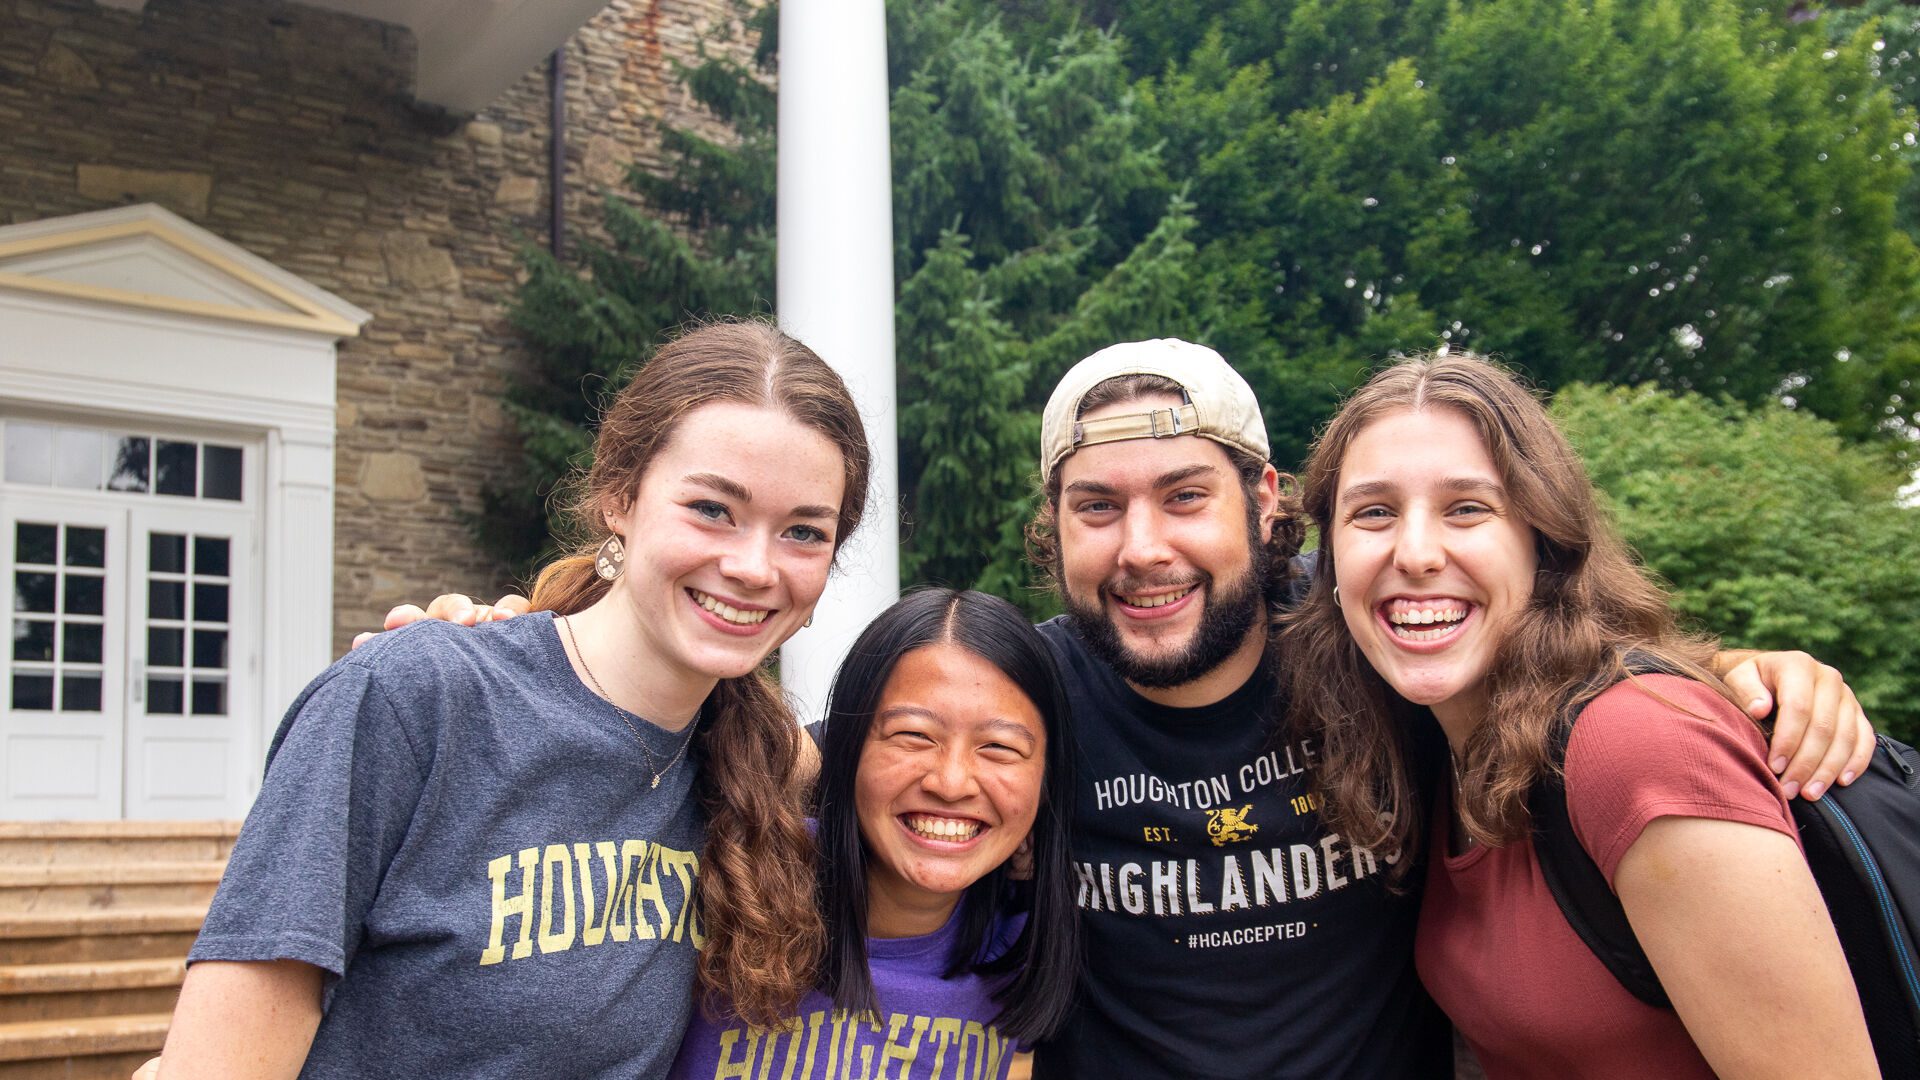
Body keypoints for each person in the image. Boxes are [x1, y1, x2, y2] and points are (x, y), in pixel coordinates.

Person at [389, 338, 1874, 1077]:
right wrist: (522, 651)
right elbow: (782, 754)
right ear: (1054, 532)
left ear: (1268, 505)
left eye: (1184, 496)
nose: (1143, 544)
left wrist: (1750, 683)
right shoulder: (1021, 700)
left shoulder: (1376, 672)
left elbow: (1536, 665)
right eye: (1096, 507)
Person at [148, 321, 872, 1079]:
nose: (754, 566)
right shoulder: (417, 698)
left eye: (801, 532)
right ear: (620, 497)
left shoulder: (764, 760)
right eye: (712, 509)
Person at [1281, 350, 1876, 1078]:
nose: (1416, 552)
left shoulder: (1637, 745)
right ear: (1330, 561)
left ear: (1544, 541)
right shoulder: (1434, 740)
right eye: (1373, 512)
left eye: (1467, 507)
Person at [669, 588, 1079, 1079]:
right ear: (846, 747)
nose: (950, 783)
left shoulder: (1018, 951)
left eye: (999, 747)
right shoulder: (728, 887)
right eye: (914, 735)